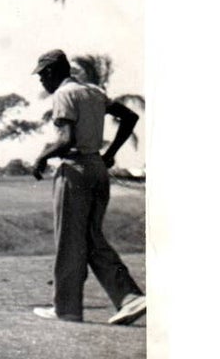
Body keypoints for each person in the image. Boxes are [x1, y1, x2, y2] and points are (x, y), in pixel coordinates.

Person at [30, 49, 146, 325]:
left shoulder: (63, 94)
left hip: (75, 171)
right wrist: (110, 153)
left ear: (51, 72)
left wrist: (42, 156)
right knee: (91, 238)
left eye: (41, 75)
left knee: (69, 241)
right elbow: (129, 117)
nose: (41, 82)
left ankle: (67, 309)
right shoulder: (93, 92)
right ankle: (129, 297)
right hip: (97, 169)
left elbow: (67, 139)